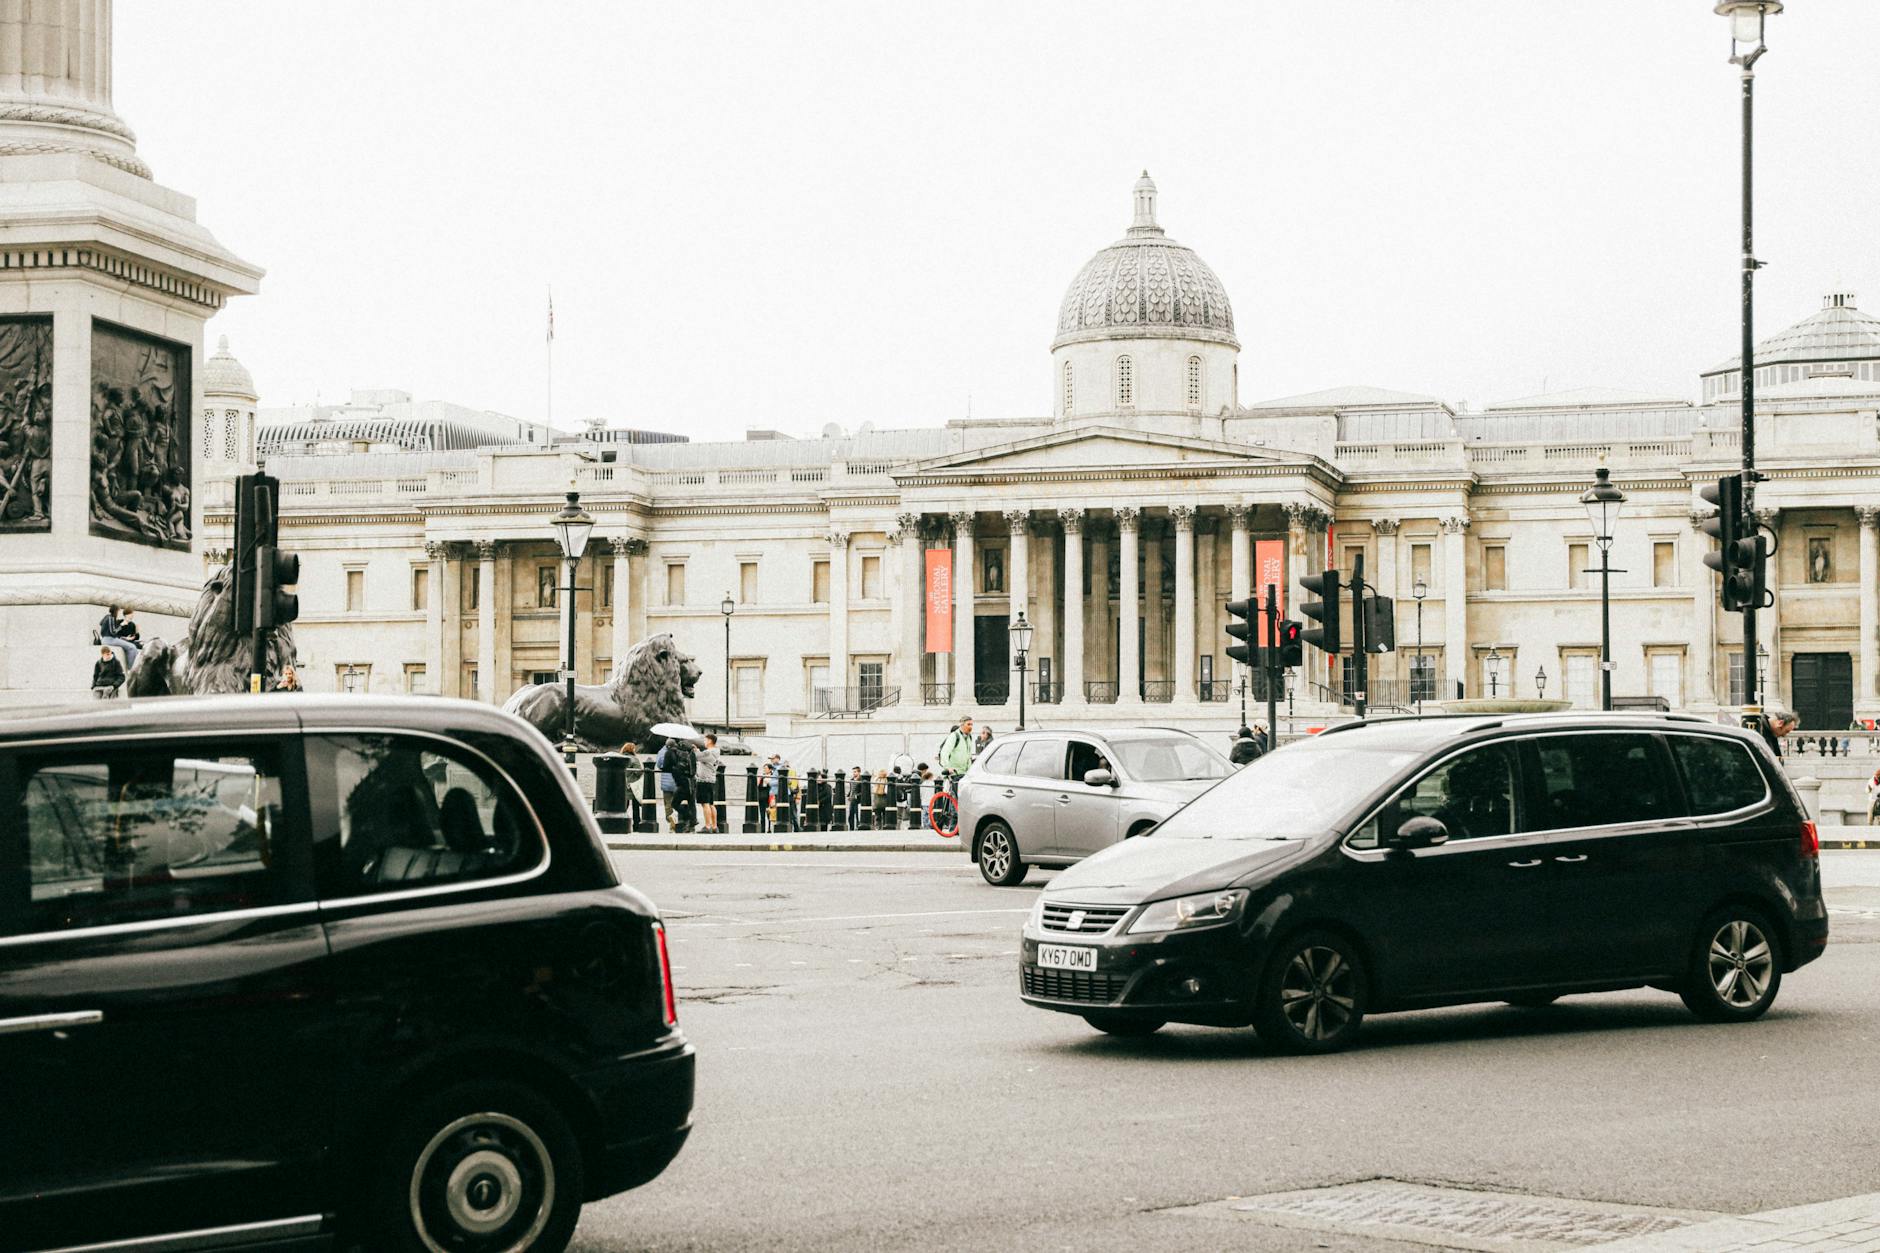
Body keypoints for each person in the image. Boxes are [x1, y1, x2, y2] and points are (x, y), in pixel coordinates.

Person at [666, 736, 698, 833]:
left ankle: (689, 818)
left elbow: (666, 766)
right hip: (692, 781)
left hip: (682, 782)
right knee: (692, 803)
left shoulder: (674, 752)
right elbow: (694, 768)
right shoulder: (691, 752)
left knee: (674, 803)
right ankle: (692, 824)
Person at [97, 603, 138, 672]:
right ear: (115, 611)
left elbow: (100, 623)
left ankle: (133, 668)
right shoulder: (111, 618)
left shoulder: (107, 616)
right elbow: (113, 632)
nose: (119, 613)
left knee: (132, 647)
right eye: (118, 611)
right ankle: (130, 670)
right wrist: (121, 625)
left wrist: (124, 638)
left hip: (106, 639)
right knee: (132, 647)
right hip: (109, 639)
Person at [696, 733, 722, 834]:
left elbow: (698, 757)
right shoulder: (716, 753)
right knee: (711, 804)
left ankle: (707, 826)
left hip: (704, 781)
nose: (704, 741)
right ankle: (715, 826)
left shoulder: (709, 752)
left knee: (705, 804)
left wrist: (695, 751)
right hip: (711, 780)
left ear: (710, 741)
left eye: (705, 740)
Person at [656, 741, 679, 830]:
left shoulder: (661, 752)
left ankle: (670, 820)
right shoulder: (677, 751)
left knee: (668, 802)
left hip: (666, 780)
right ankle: (677, 820)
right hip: (677, 780)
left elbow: (659, 764)